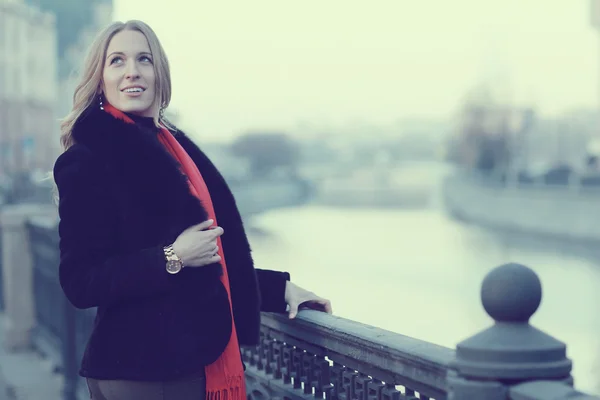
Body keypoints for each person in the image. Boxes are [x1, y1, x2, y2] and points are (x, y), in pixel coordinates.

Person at [53, 20, 332, 400]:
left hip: (173, 368)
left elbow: (211, 258)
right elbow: (80, 281)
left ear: (159, 74)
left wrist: (280, 287)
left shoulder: (173, 151)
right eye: (117, 61)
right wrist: (172, 257)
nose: (132, 70)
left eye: (144, 59)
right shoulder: (89, 159)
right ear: (100, 79)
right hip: (144, 373)